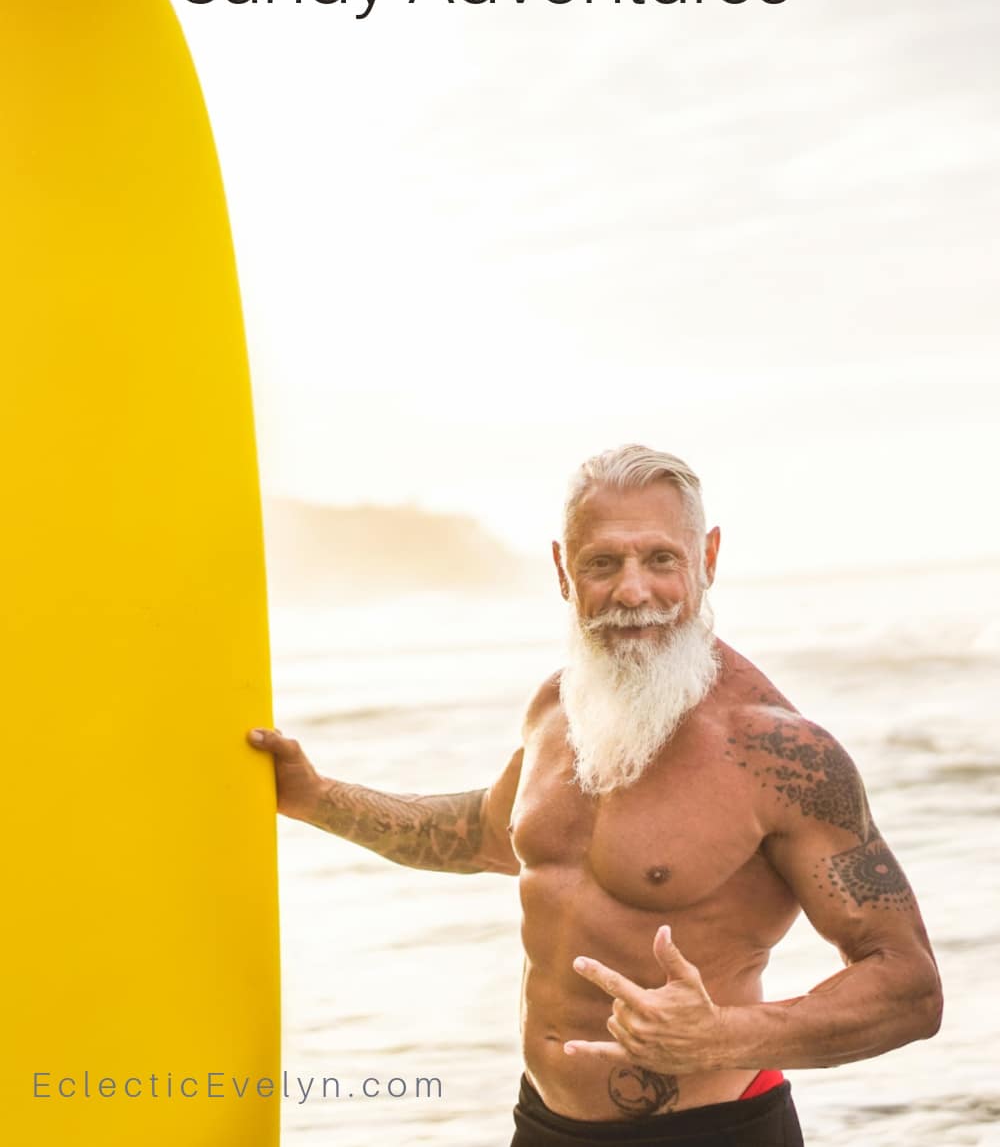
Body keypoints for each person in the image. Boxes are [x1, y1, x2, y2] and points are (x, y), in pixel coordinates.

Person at [248, 444, 943, 1145]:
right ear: (562, 570)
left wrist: (720, 1037)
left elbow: (908, 987)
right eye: (602, 563)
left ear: (708, 558)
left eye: (660, 559)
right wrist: (315, 798)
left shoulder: (780, 754)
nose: (632, 591)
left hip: (713, 1130)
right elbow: (487, 833)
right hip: (542, 1123)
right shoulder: (560, 707)